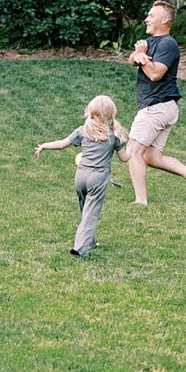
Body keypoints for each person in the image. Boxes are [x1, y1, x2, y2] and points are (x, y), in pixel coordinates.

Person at [126, 0, 186, 205]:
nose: (147, 18)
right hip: (163, 107)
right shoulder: (150, 42)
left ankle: (140, 200)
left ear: (164, 20)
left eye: (152, 15)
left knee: (133, 152)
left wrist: (142, 56)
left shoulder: (167, 44)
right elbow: (131, 59)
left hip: (156, 106)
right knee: (151, 156)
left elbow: (155, 74)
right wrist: (139, 55)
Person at [34, 95, 131, 257]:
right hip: (97, 178)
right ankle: (80, 247)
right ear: (111, 114)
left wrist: (44, 146)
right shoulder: (113, 135)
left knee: (85, 208)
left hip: (80, 176)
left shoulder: (83, 130)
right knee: (91, 213)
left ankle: (90, 241)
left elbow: (61, 144)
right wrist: (133, 150)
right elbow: (124, 158)